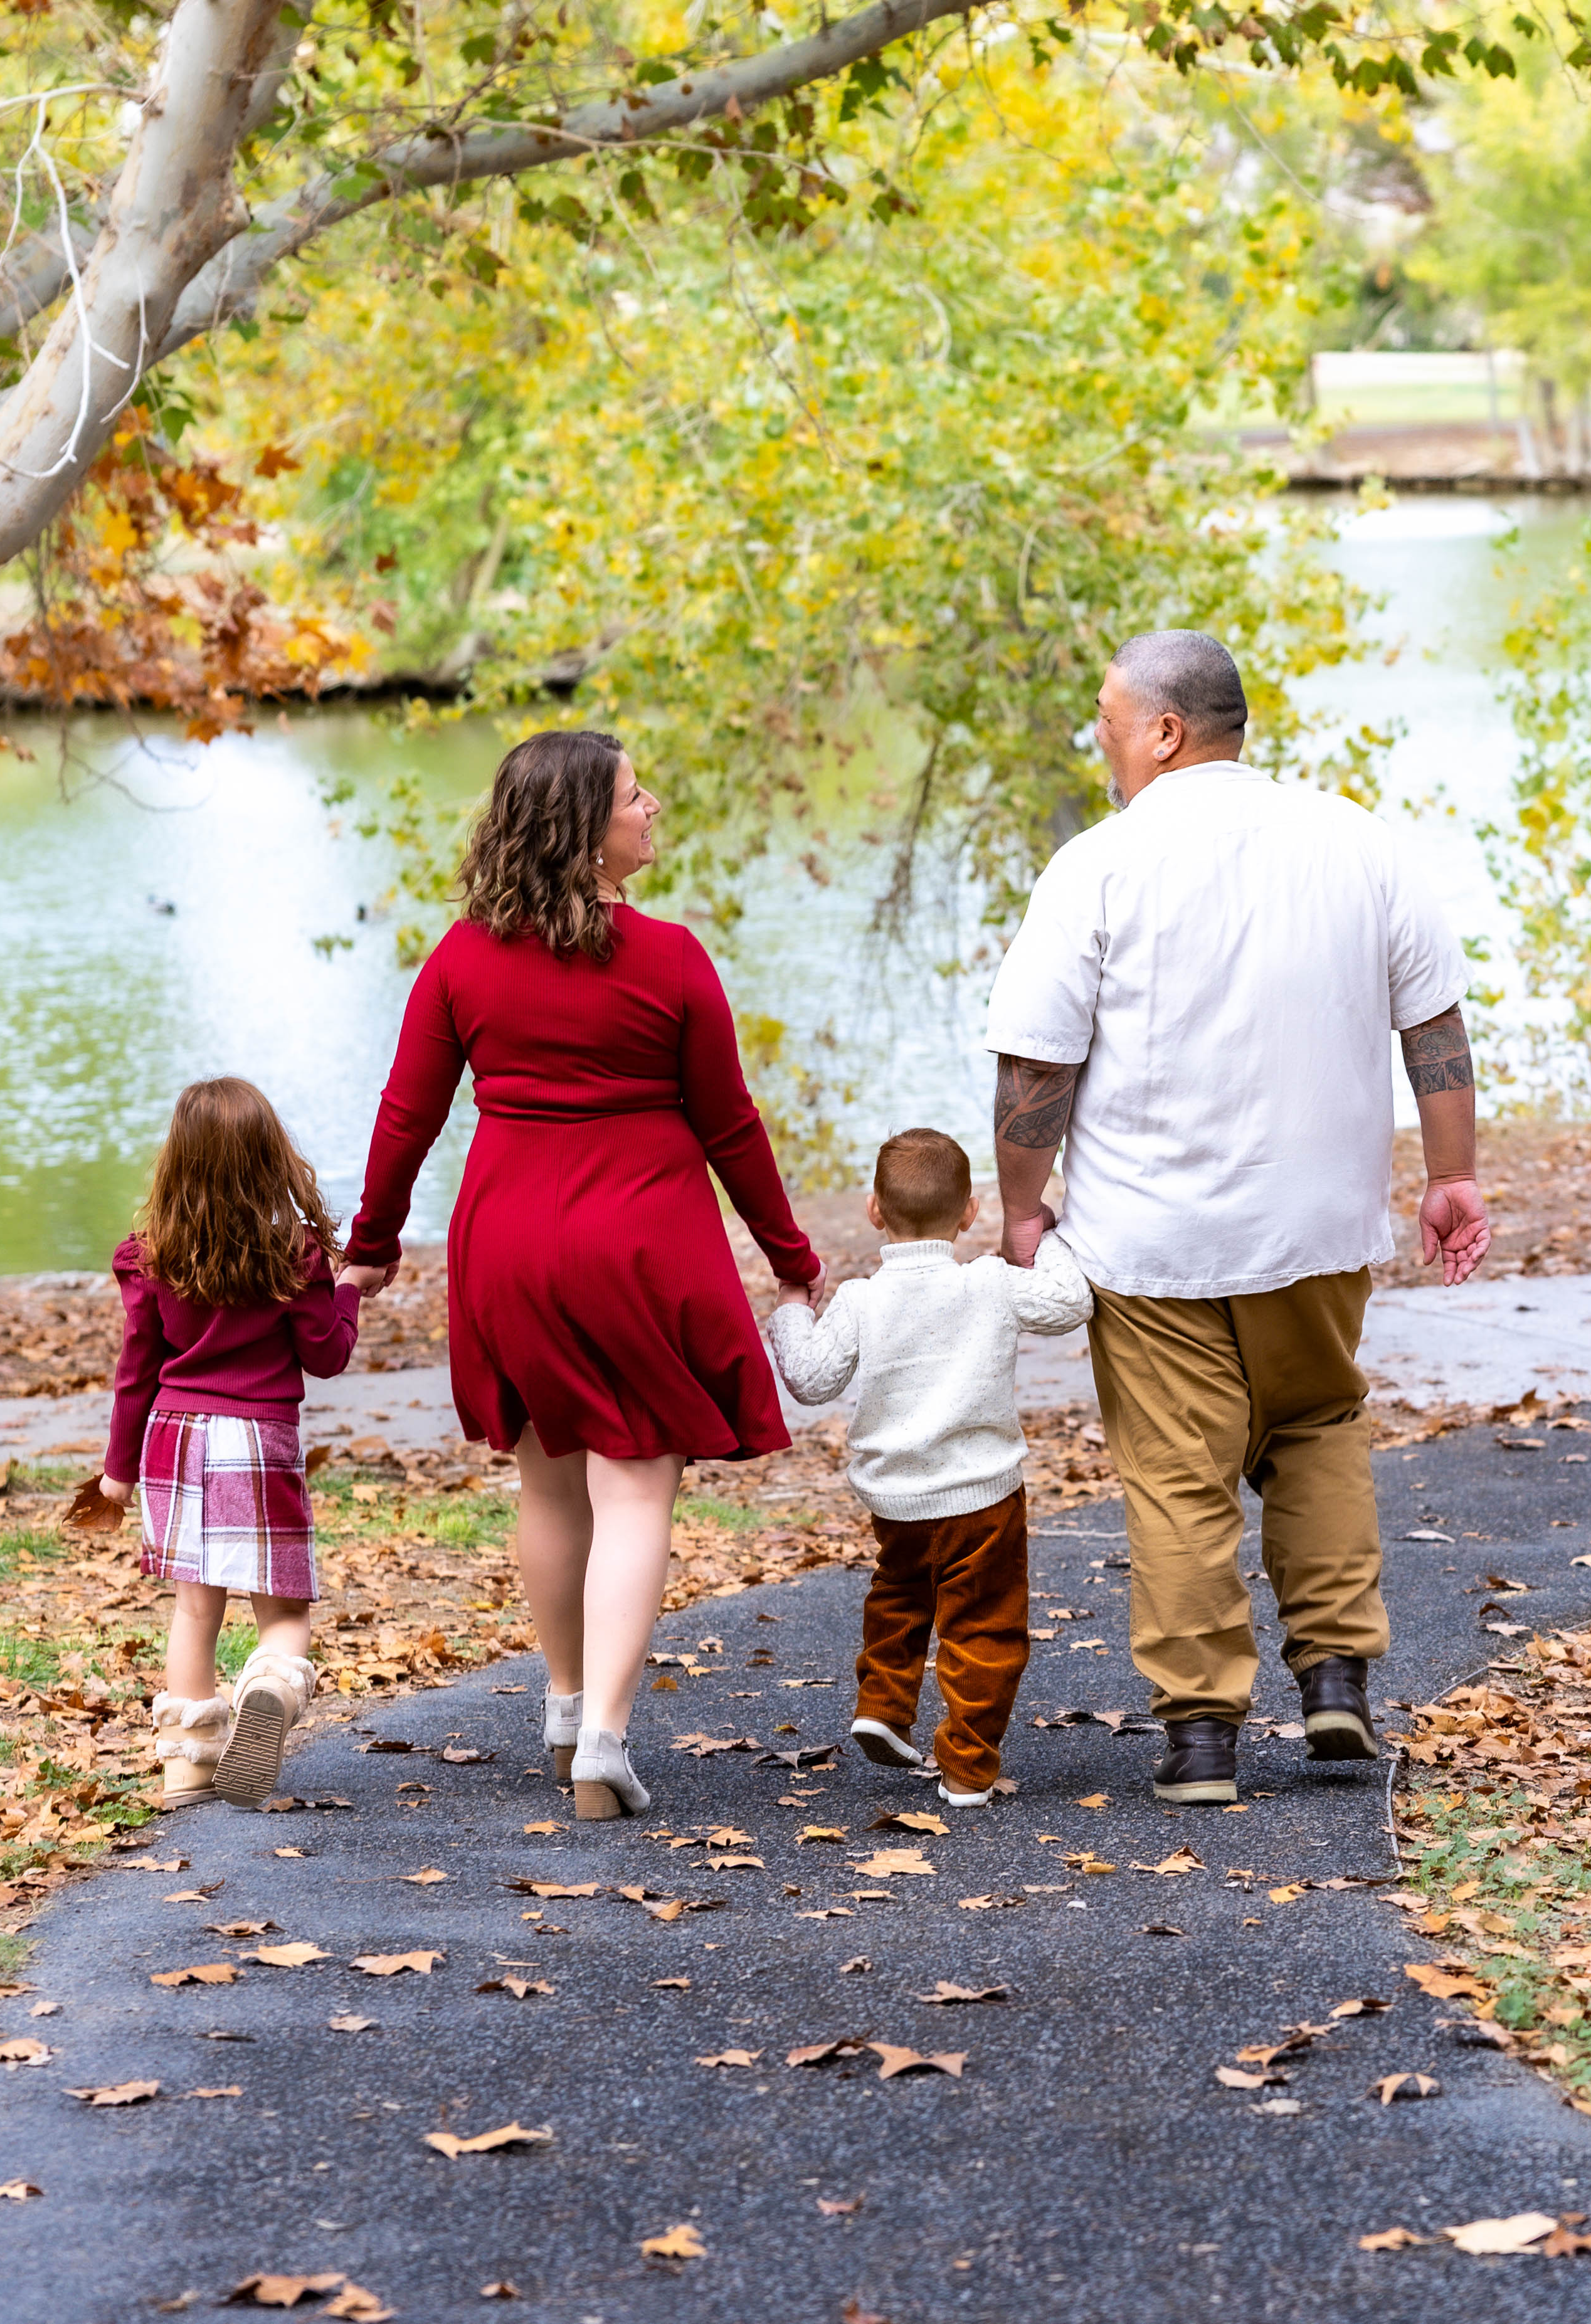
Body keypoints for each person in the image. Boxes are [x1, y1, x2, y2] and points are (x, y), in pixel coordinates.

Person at [983, 630, 1491, 1806]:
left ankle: (1203, 1735)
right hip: (1317, 1227)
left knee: (1177, 1479)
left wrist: (1023, 1210)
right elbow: (1436, 1028)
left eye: (1110, 721)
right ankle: (1334, 1686)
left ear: (1165, 731)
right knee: (1317, 1429)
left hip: (1152, 1244)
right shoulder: (1363, 844)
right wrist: (1451, 1175)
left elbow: (1034, 1065)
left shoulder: (1098, 867)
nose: (1101, 742)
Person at [343, 728, 823, 1821]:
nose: (652, 806)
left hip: (510, 1239)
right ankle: (606, 1732)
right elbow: (729, 1126)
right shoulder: (672, 959)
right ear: (580, 829)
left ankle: (563, 1710)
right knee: (636, 1482)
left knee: (548, 1479)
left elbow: (407, 1113)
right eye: (630, 796)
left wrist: (374, 1241)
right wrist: (791, 1259)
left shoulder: (463, 958)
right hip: (642, 1242)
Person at [765, 1128, 1091, 1808]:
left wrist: (793, 1307)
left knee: (900, 1595)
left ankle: (882, 1704)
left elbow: (810, 1379)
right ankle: (968, 1766)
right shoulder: (989, 1283)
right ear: (969, 1212)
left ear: (873, 1211)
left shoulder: (858, 1299)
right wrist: (1044, 1235)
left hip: (898, 1498)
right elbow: (1070, 1303)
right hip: (981, 1497)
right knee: (983, 1625)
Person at [92, 1077, 373, 1810]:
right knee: (281, 1611)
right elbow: (326, 1355)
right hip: (258, 1439)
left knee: (195, 1608)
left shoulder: (150, 1257)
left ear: (175, 1162)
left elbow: (135, 1373)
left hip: (175, 1440)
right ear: (269, 1160)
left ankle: (186, 1762)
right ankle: (272, 1685)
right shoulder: (296, 1256)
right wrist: (345, 1290)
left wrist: (116, 1474)